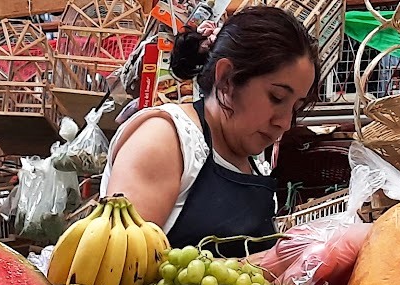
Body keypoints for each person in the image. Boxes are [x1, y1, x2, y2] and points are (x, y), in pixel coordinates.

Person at [101, 7, 319, 256]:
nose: (285, 122)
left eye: (296, 107)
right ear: (227, 77)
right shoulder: (164, 139)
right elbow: (121, 270)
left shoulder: (254, 159)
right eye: (277, 97)